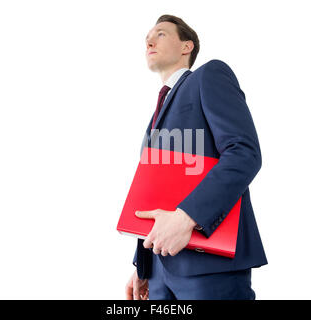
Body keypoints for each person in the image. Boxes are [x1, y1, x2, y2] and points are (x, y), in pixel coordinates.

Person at [125, 14, 267, 300]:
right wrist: (143, 265)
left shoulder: (209, 76)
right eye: (147, 38)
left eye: (161, 34)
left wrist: (188, 217)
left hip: (208, 265)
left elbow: (244, 153)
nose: (149, 41)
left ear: (186, 46)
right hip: (158, 271)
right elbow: (154, 194)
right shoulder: (154, 117)